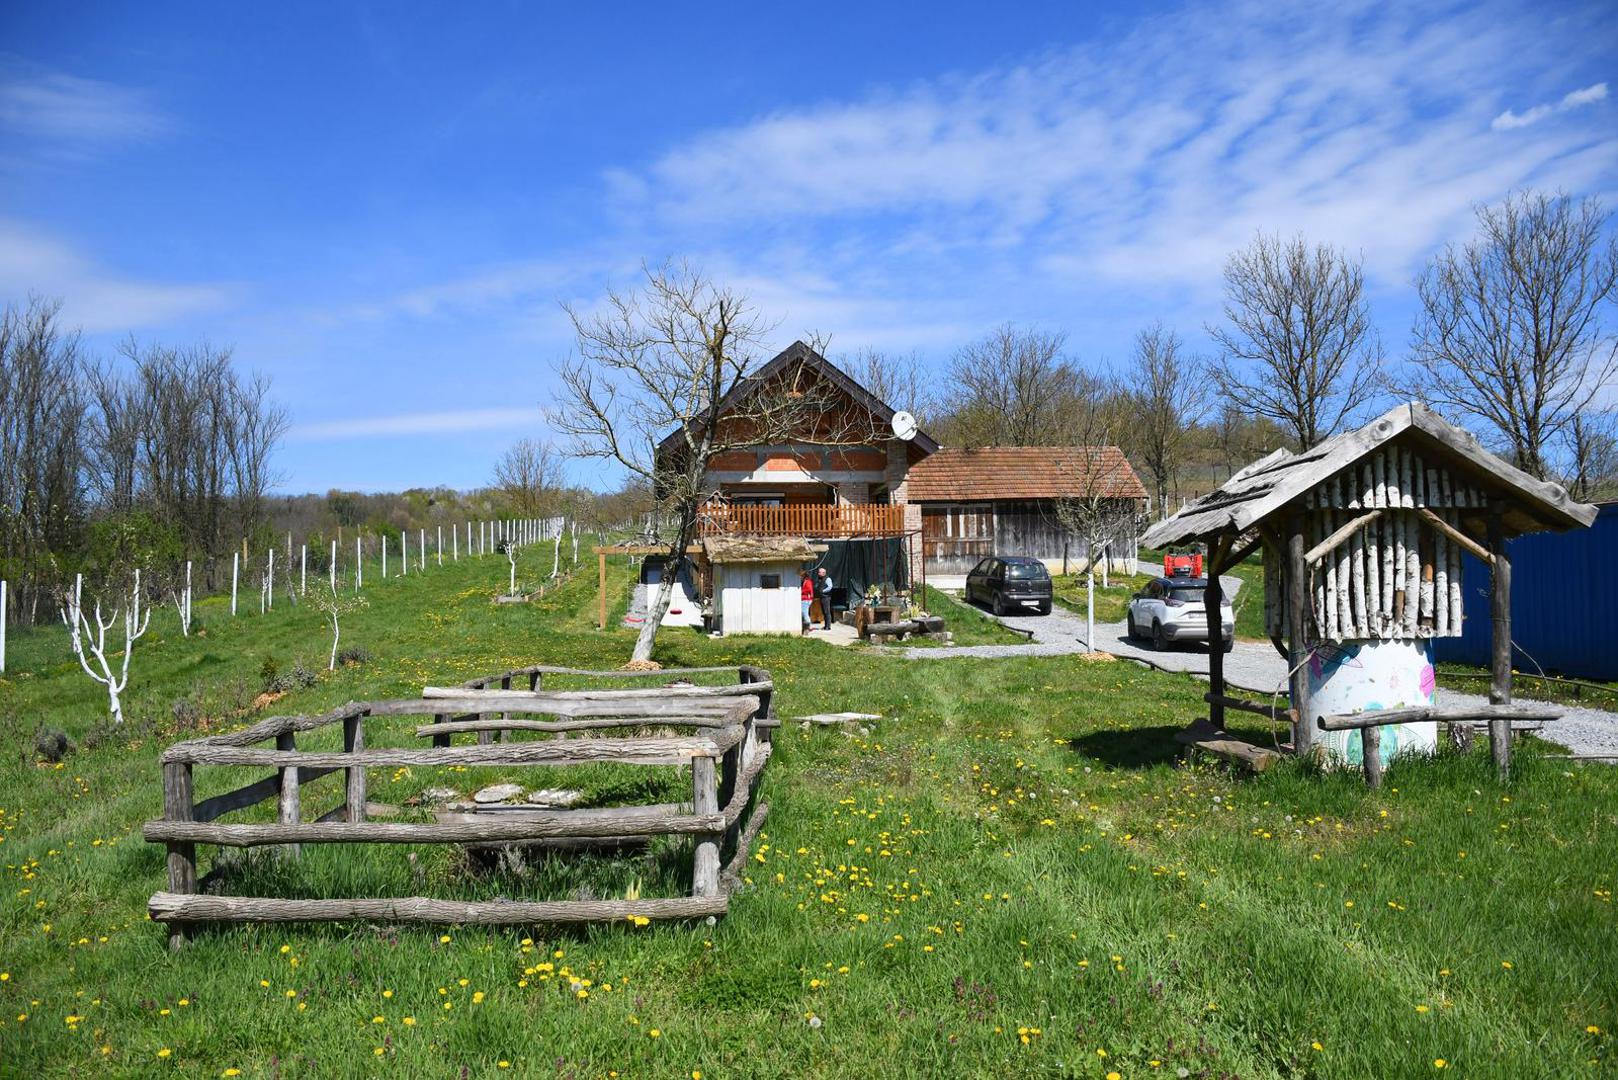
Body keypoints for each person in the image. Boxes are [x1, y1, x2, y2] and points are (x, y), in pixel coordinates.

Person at [799, 569, 814, 633]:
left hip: (806, 599)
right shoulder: (805, 581)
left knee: (805, 614)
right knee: (803, 613)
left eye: (801, 576)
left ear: (803, 576)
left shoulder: (807, 582)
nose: (800, 577)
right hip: (805, 599)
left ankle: (807, 627)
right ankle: (806, 627)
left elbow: (809, 590)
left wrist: (800, 591)